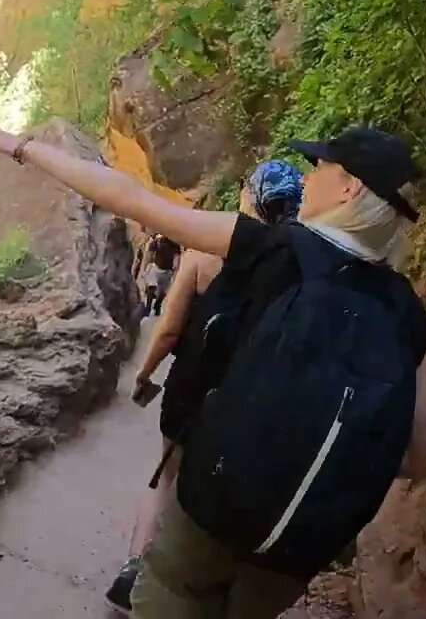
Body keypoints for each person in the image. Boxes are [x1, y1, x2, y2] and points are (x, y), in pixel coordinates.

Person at [0, 121, 426, 619]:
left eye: (319, 166)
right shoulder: (408, 315)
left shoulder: (278, 247)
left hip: (217, 504)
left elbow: (133, 200)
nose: (307, 178)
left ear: (350, 187)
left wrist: (18, 147)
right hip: (297, 546)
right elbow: (416, 460)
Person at [104, 159, 305, 616]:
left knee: (166, 478)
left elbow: (171, 328)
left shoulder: (204, 254)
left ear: (249, 197)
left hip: (192, 390)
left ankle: (136, 568)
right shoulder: (302, 267)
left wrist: (144, 373)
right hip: (248, 404)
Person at [138, 234, 180, 316]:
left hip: (167, 271)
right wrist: (144, 269)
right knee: (151, 287)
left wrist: (175, 271)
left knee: (162, 293)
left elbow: (177, 257)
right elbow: (149, 254)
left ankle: (158, 305)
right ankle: (148, 307)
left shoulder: (175, 244)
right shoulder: (157, 241)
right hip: (156, 268)